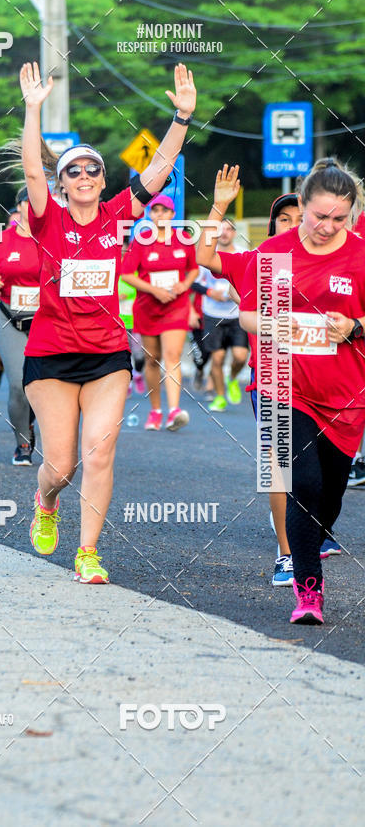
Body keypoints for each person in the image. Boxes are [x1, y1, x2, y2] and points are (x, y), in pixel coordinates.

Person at [16, 60, 196, 583]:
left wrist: (181, 118)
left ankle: (88, 552)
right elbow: (32, 170)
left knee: (100, 453)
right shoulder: (47, 217)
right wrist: (33, 109)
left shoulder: (119, 214)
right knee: (61, 467)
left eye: (94, 169)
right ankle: (45, 501)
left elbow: (158, 169)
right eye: (74, 171)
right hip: (50, 354)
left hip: (107, 355)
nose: (87, 177)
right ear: (62, 184)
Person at [239, 157, 365, 623]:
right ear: (303, 204)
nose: (328, 226)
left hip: (347, 397)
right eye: (319, 216)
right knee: (302, 484)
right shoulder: (275, 251)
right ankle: (308, 592)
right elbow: (247, 316)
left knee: (328, 496)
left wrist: (354, 326)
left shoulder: (360, 254)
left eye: (340, 218)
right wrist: (276, 321)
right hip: (284, 387)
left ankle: (312, 542)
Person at [197, 169, 303, 587]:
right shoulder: (259, 261)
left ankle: (315, 527)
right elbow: (204, 259)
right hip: (274, 375)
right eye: (284, 219)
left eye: (301, 217)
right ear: (272, 226)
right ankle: (287, 552)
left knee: (320, 473)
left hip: (327, 380)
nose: (292, 226)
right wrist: (219, 204)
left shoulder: (340, 260)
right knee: (279, 466)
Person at [121, 194, 198, 431]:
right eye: (156, 211)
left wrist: (184, 285)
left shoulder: (184, 239)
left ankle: (174, 410)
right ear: (149, 214)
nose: (160, 215)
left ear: (173, 215)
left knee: (172, 355)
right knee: (152, 360)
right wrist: (154, 290)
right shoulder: (141, 240)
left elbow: (193, 270)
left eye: (165, 211)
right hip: (147, 308)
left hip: (176, 306)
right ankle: (155, 411)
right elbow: (126, 274)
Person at [0, 186, 40, 465]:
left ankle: (29, 419)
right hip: (10, 318)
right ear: (20, 207)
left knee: (41, 385)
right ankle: (22, 443)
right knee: (18, 384)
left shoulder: (53, 239)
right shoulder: (2, 240)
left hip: (45, 321)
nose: (35, 206)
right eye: (30, 201)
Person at [198, 218, 249, 412]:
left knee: (240, 356)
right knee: (217, 358)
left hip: (237, 314)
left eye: (229, 229)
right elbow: (194, 282)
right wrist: (211, 293)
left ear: (234, 233)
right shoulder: (208, 255)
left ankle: (233, 378)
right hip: (212, 314)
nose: (225, 233)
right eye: (221, 229)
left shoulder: (243, 253)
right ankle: (220, 397)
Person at [118, 240, 146, 397]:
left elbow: (141, 286)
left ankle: (139, 373)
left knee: (139, 355)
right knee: (124, 354)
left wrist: (127, 294)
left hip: (136, 319)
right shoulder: (113, 268)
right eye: (120, 250)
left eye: (125, 251)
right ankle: (127, 381)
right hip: (119, 320)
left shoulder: (134, 269)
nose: (122, 253)